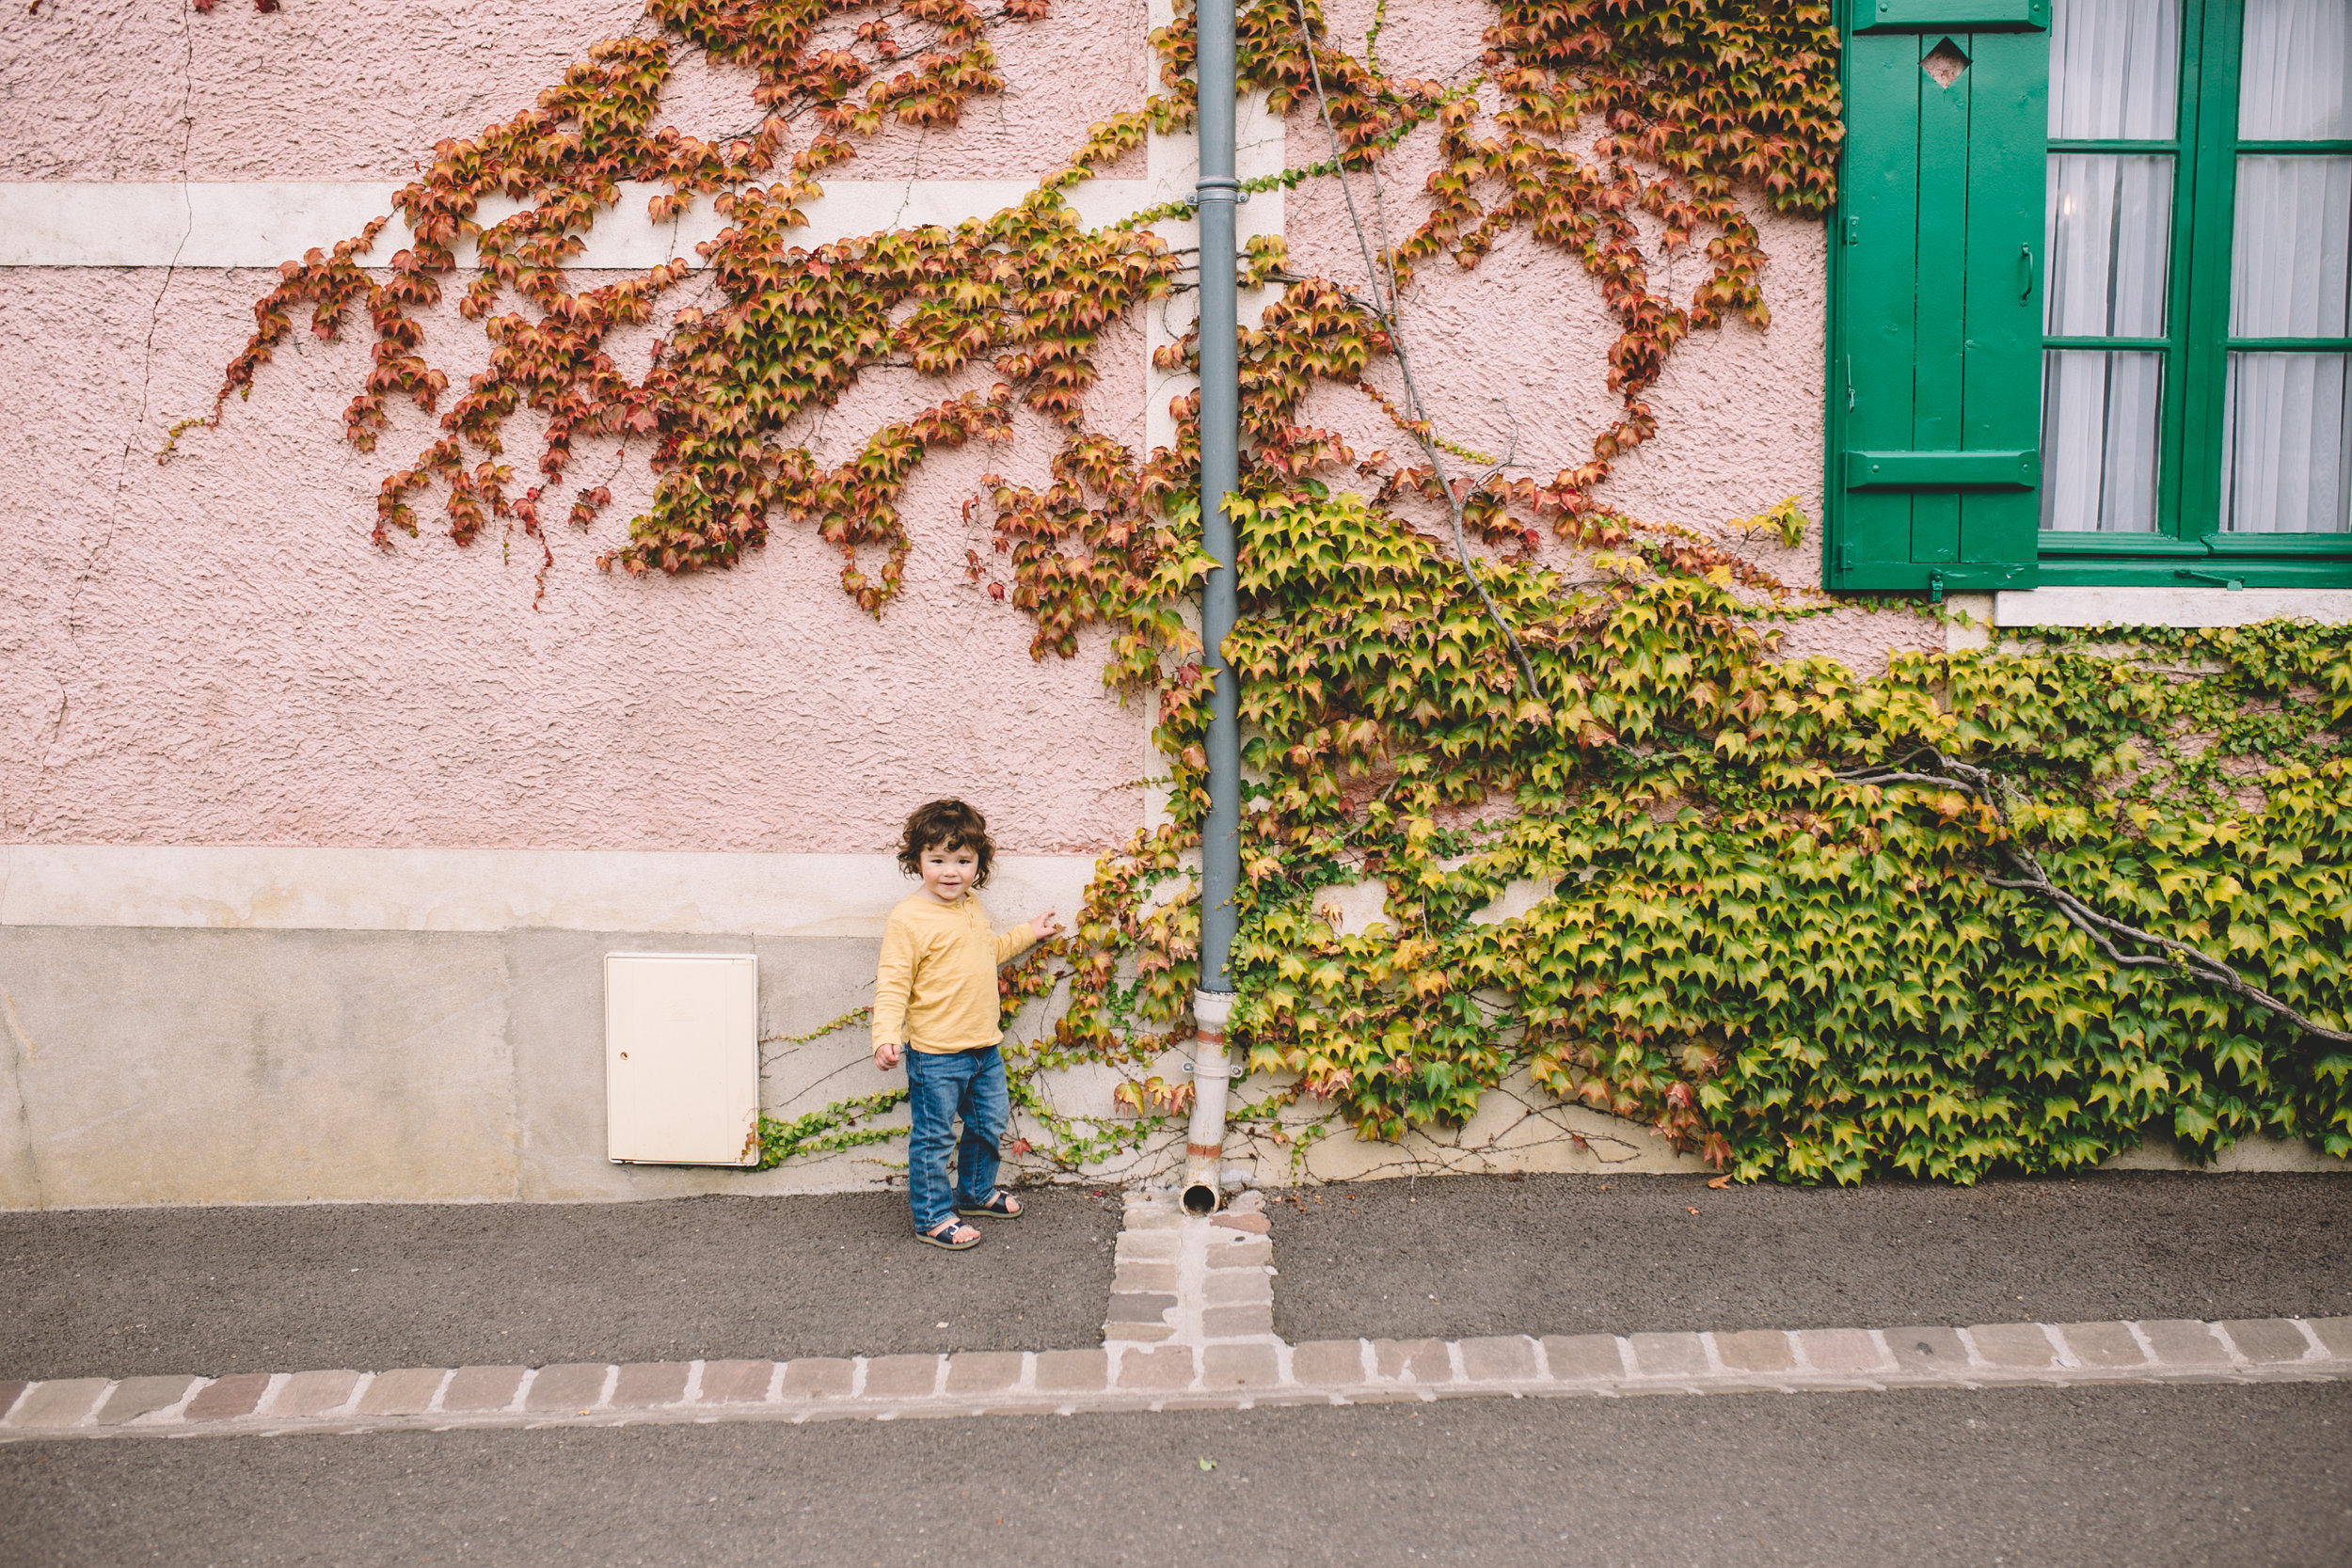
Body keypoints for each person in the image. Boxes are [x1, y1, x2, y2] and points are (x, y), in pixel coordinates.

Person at [871, 799, 1066, 1250]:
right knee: (934, 1138)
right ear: (916, 859)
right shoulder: (909, 918)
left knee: (988, 1123)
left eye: (963, 860)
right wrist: (885, 1035)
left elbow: (986, 951)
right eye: (937, 860)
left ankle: (975, 1192)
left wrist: (1027, 934)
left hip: (984, 1048)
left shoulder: (970, 904)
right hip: (936, 1055)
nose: (950, 872)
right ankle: (933, 1216)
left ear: (979, 863)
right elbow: (893, 983)